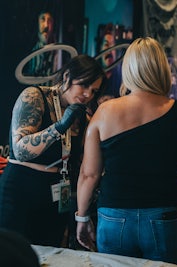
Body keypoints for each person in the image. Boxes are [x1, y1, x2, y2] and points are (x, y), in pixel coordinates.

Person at [76, 37, 177, 266]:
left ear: (128, 70)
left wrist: (82, 218)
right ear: (162, 69)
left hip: (114, 216)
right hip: (166, 216)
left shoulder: (104, 113)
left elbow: (89, 174)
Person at [0, 54, 106, 248]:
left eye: (94, 91)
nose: (88, 95)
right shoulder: (35, 96)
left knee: (52, 254)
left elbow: (85, 164)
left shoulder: (83, 116)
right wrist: (59, 127)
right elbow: (20, 149)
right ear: (67, 77)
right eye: (84, 86)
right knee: (13, 254)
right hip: (21, 187)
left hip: (56, 193)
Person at [26, 11, 58, 79]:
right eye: (43, 19)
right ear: (37, 23)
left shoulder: (60, 51)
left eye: (50, 21)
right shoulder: (30, 50)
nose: (46, 25)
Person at [97, 23, 122, 99]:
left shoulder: (122, 75)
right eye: (106, 45)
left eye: (113, 46)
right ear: (100, 48)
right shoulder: (93, 74)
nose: (109, 50)